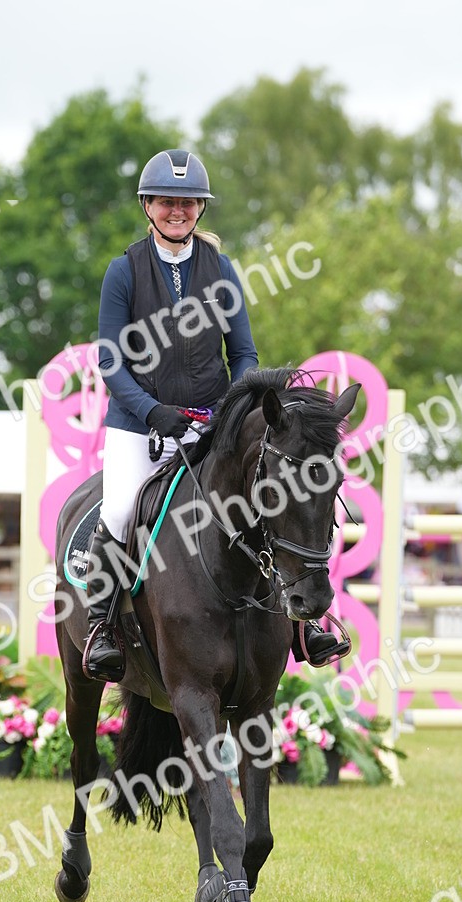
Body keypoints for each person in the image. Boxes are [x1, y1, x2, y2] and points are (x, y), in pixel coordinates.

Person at [84, 148, 340, 680]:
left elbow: (243, 353)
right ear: (148, 206)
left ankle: (306, 624)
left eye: (187, 202)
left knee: (269, 503)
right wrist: (152, 411)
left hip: (211, 422)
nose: (177, 210)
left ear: (200, 209)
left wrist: (228, 410)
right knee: (119, 510)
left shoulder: (221, 270)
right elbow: (110, 359)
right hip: (139, 425)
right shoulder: (123, 271)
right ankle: (102, 627)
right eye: (166, 201)